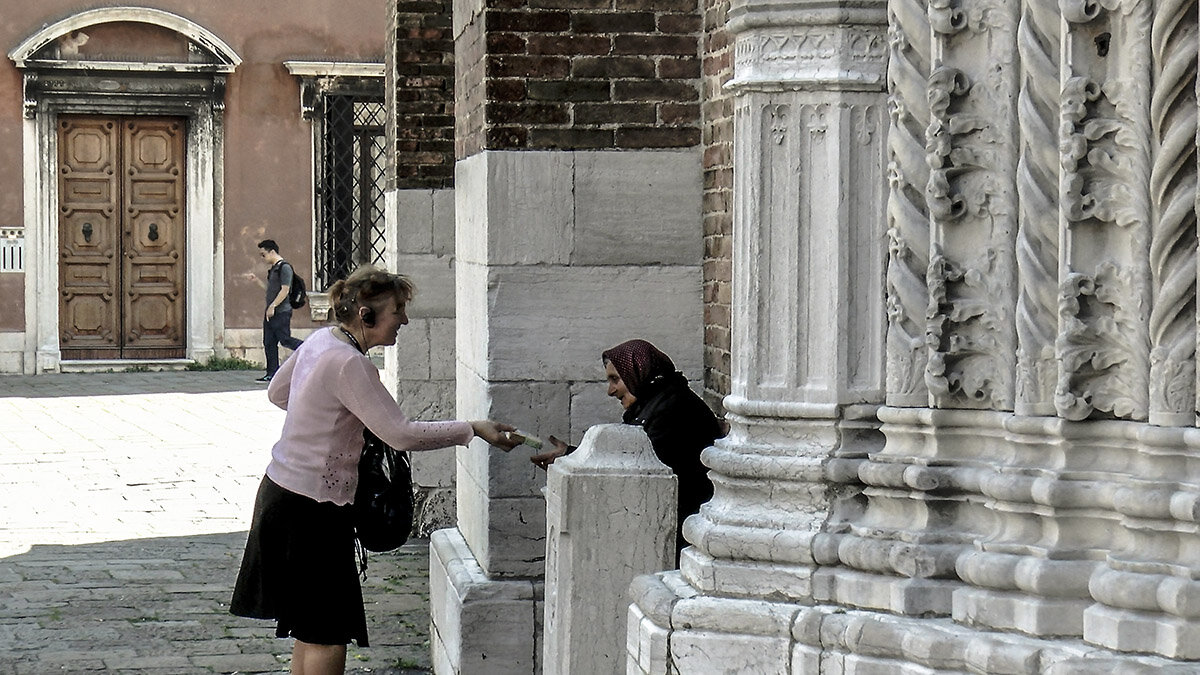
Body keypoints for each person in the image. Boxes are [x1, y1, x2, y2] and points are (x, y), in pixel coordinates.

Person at [231, 265, 521, 675]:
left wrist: (327, 416)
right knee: (328, 630)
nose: (404, 319)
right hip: (314, 508)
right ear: (365, 315)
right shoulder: (351, 364)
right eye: (397, 310)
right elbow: (401, 434)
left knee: (311, 629)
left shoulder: (319, 341)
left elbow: (279, 393)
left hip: (283, 493)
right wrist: (472, 428)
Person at [530, 339, 724, 564]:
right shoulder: (654, 404)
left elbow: (641, 464)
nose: (610, 391)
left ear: (638, 371)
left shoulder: (672, 409)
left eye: (615, 379)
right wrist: (570, 455)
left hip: (683, 534)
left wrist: (571, 457)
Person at [243, 239, 303, 382]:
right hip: (271, 312)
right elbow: (271, 290)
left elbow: (285, 290)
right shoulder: (274, 269)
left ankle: (308, 348)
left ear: (272, 252)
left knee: (285, 339)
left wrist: (273, 306)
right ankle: (272, 373)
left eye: (263, 255)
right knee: (269, 342)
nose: (262, 258)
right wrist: (257, 281)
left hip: (281, 312)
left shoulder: (285, 268)